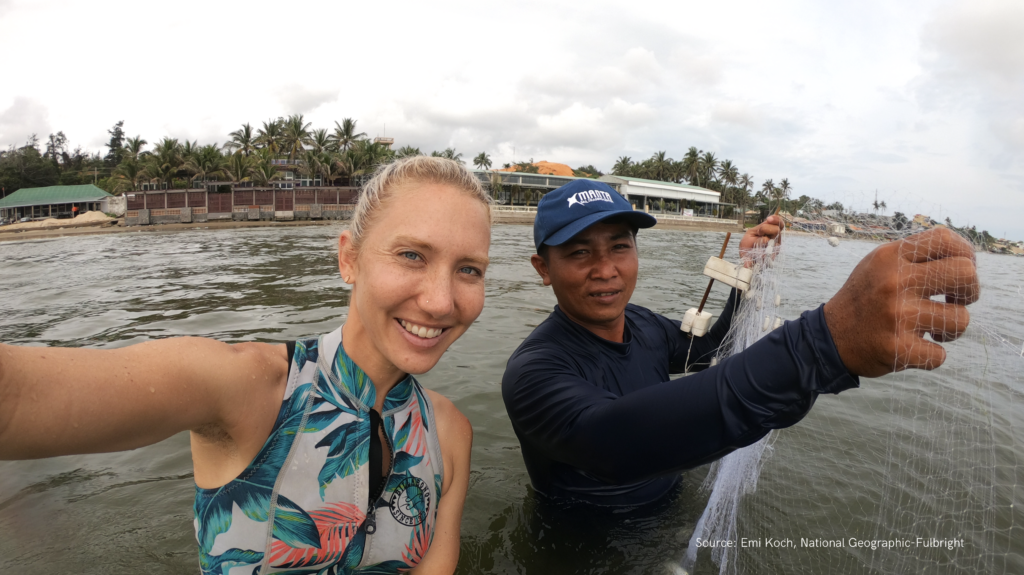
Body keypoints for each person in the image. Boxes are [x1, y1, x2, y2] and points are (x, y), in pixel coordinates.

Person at [0, 156, 491, 574]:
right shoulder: (248, 388)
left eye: (469, 269)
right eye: (411, 255)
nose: (441, 301)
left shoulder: (448, 433)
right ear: (350, 259)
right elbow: (16, 398)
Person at [502, 179, 978, 507]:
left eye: (619, 247)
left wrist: (747, 273)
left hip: (668, 512)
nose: (606, 269)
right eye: (579, 252)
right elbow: (611, 443)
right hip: (586, 541)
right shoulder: (535, 372)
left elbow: (710, 349)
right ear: (543, 269)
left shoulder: (642, 324)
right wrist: (821, 344)